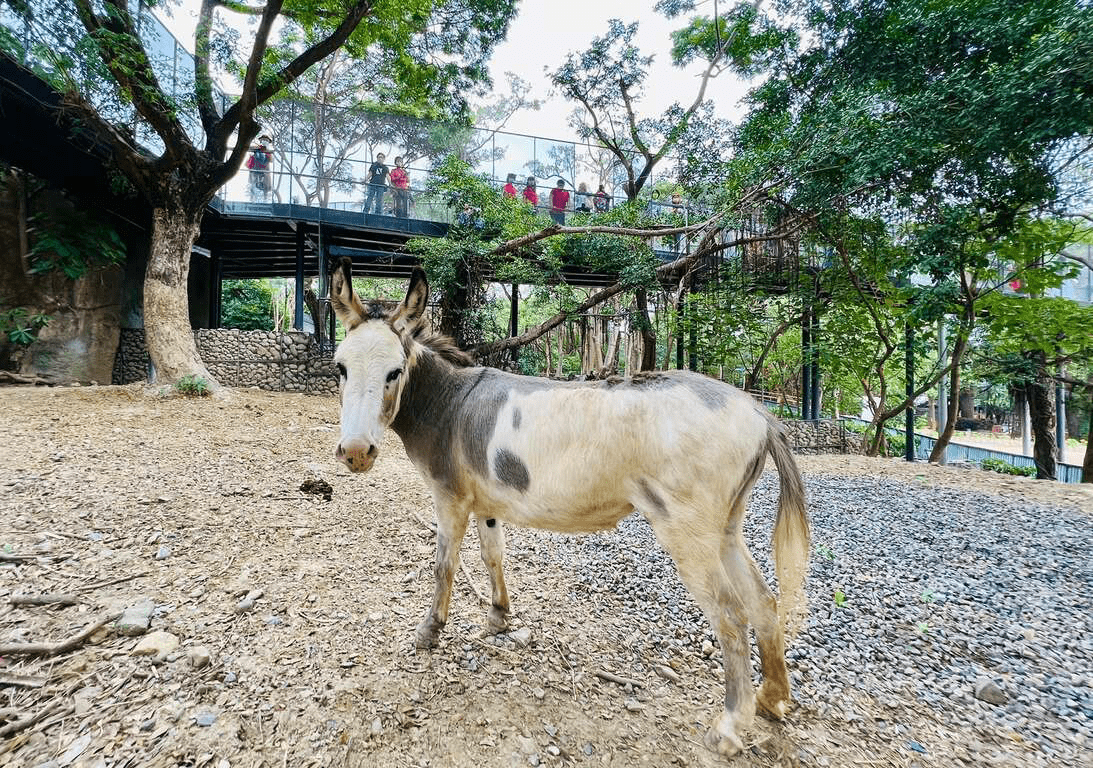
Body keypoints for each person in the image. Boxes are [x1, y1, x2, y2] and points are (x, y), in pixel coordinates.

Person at [246, 135, 274, 201]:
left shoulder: (268, 152)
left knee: (265, 188)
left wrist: (266, 151)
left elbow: (271, 160)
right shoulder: (257, 149)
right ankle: (252, 200)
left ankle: (265, 200)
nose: (264, 141)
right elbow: (249, 149)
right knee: (253, 186)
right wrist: (259, 148)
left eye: (266, 140)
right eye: (263, 140)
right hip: (255, 171)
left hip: (264, 172)